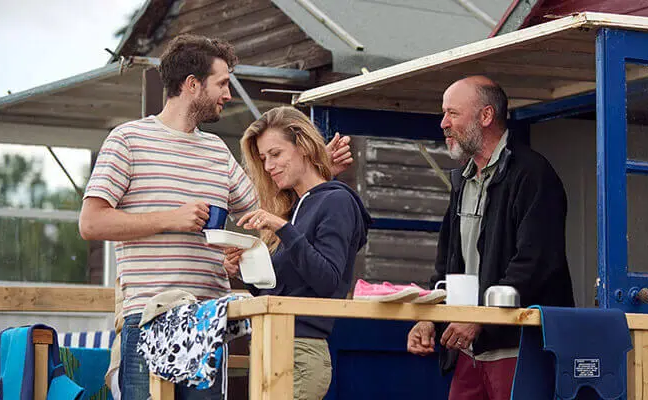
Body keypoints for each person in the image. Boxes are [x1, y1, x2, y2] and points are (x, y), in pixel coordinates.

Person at [78, 34, 352, 399]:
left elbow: (267, 217)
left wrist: (315, 173)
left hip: (209, 324)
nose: (228, 94)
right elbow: (91, 223)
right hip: (147, 319)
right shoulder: (127, 141)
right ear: (192, 85)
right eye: (222, 83)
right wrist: (171, 219)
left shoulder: (217, 152)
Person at [406, 76, 575, 400]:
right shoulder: (463, 181)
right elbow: (446, 265)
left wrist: (481, 317)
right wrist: (429, 318)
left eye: (452, 113)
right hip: (468, 347)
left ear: (485, 116)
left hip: (519, 348)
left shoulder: (533, 174)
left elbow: (536, 262)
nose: (443, 123)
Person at [222, 106, 371, 400]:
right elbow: (283, 288)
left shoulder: (336, 201)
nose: (268, 166)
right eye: (263, 158)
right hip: (272, 347)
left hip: (300, 352)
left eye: (275, 154)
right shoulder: (298, 208)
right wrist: (244, 269)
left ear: (302, 146)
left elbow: (328, 279)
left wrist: (282, 228)